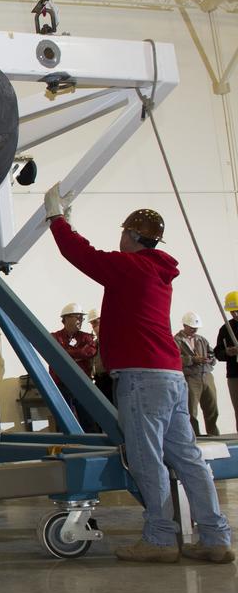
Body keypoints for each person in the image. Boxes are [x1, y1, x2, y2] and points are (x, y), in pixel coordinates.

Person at [46, 188, 233, 563]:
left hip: (142, 379)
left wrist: (58, 221)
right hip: (170, 377)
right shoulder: (157, 273)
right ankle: (215, 537)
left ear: (130, 236)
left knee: (146, 458)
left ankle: (160, 539)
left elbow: (82, 255)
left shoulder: (132, 268)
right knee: (188, 458)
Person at [49, 302, 99, 433]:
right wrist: (78, 354)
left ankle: (93, 448)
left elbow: (90, 352)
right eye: (77, 317)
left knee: (88, 420)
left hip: (82, 384)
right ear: (66, 318)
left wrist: (65, 353)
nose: (81, 320)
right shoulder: (54, 337)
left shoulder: (87, 337)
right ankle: (66, 447)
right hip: (61, 385)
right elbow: (53, 354)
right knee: (63, 422)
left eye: (81, 317)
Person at [175, 312, 219, 437]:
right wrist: (192, 360)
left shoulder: (201, 339)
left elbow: (212, 354)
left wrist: (210, 360)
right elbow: (175, 359)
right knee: (191, 409)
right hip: (190, 378)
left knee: (212, 407)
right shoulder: (176, 341)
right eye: (191, 327)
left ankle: (214, 434)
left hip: (206, 376)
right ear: (184, 325)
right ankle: (194, 436)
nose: (194, 330)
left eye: (196, 328)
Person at [215, 292, 238, 427]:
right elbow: (217, 352)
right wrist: (227, 353)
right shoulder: (225, 329)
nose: (234, 314)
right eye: (232, 311)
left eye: (237, 310)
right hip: (234, 375)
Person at [87, 308, 115, 406]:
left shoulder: (112, 339)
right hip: (99, 380)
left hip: (111, 379)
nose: (94, 327)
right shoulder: (94, 344)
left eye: (96, 322)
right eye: (92, 324)